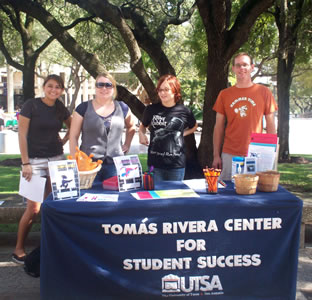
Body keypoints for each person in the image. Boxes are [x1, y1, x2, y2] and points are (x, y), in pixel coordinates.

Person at [12, 74, 71, 263]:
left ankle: (50, 246)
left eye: (58, 87)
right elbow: (22, 135)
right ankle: (18, 249)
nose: (54, 90)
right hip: (34, 162)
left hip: (56, 160)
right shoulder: (32, 105)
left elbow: (74, 126)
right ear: (44, 87)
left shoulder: (60, 108)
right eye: (50, 86)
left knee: (53, 205)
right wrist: (25, 163)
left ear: (62, 90)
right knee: (33, 208)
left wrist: (64, 140)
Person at [212, 52, 278, 181]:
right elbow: (218, 127)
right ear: (233, 69)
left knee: (255, 195)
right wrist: (216, 155)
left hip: (256, 153)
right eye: (238, 65)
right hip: (230, 153)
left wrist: (272, 155)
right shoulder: (224, 94)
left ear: (252, 67)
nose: (241, 68)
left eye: (245, 65)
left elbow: (271, 126)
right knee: (228, 194)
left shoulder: (264, 92)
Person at [69, 72, 136, 181]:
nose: (104, 88)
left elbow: (132, 126)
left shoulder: (123, 107)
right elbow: (73, 136)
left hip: (115, 165)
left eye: (108, 85)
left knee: (115, 196)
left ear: (113, 88)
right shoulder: (83, 108)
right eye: (100, 85)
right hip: (89, 165)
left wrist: (127, 144)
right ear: (95, 87)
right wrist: (75, 159)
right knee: (88, 196)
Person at [139, 74, 198, 182]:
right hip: (155, 165)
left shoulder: (184, 111)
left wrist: (181, 133)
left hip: (176, 165)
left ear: (175, 91)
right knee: (155, 197)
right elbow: (143, 126)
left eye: (166, 89)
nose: (162, 93)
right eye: (160, 90)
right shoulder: (151, 109)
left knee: (174, 197)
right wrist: (141, 134)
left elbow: (194, 126)